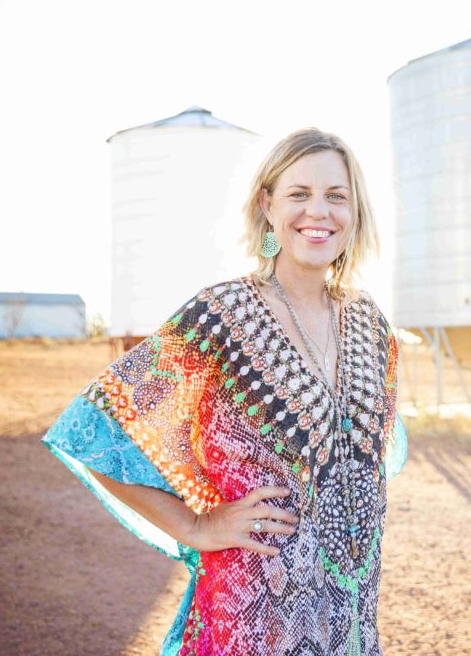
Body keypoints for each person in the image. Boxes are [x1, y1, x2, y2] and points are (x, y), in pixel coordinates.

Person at [41, 127, 408, 655]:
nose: (318, 212)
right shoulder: (221, 317)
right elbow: (92, 430)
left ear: (355, 211)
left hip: (349, 627)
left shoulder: (371, 324)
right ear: (267, 205)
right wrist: (195, 524)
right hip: (247, 621)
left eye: (336, 196)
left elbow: (370, 460)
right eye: (299, 194)